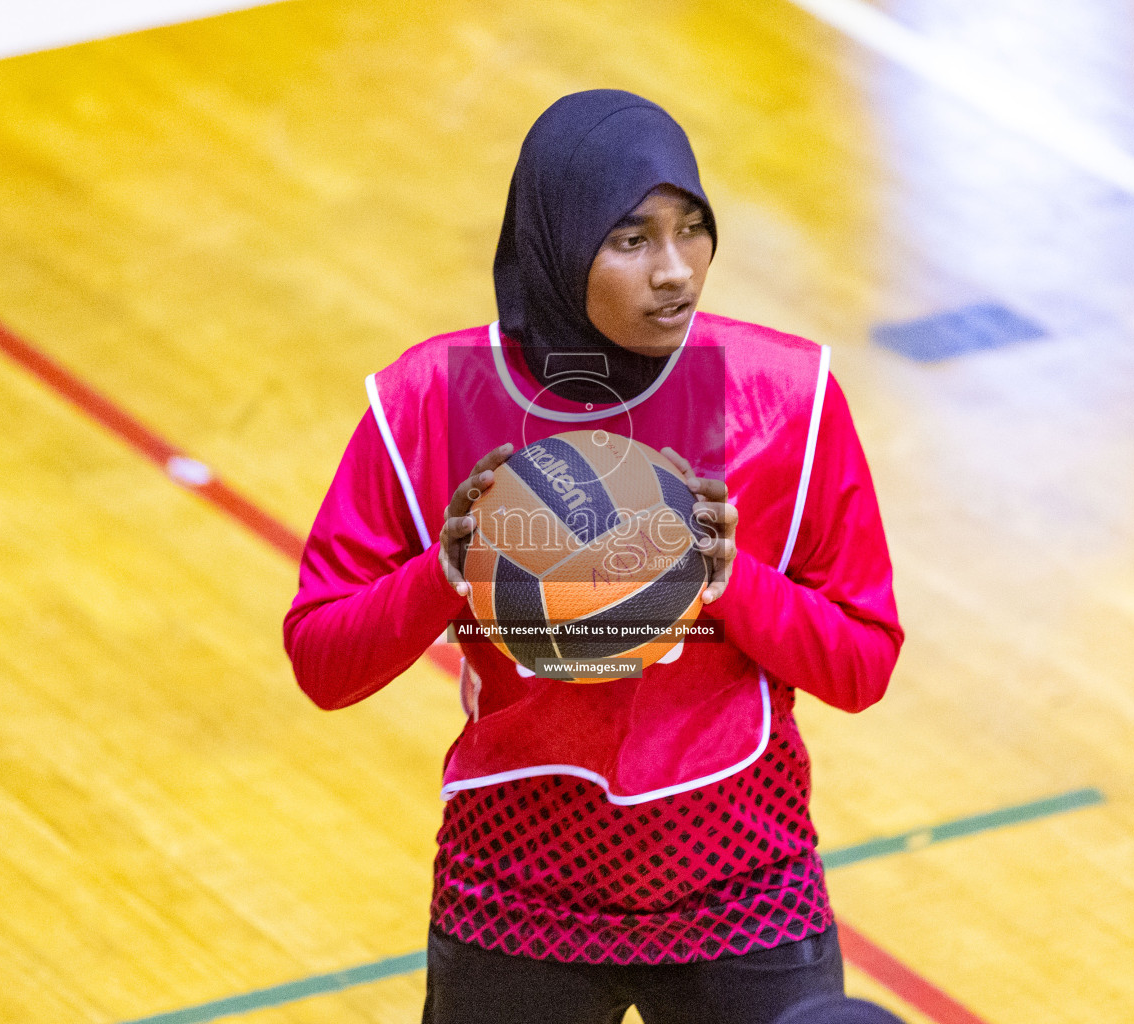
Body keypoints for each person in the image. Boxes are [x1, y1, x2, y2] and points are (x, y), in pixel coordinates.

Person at [284, 90, 903, 1024]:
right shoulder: (429, 399)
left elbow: (863, 665)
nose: (675, 272)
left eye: (693, 230)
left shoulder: (787, 398)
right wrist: (441, 573)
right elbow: (322, 664)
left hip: (744, 882)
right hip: (515, 888)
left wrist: (734, 584)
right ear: (559, 241)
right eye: (631, 240)